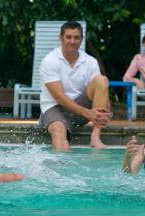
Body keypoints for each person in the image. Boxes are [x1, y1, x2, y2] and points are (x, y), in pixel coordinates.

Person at [39, 21, 111, 150]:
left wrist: (105, 112)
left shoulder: (90, 62)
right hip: (55, 108)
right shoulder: (49, 61)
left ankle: (95, 137)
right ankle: (63, 167)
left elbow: (100, 90)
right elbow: (60, 98)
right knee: (59, 133)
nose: (72, 41)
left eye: (76, 37)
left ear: (81, 39)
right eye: (68, 37)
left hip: (80, 110)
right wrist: (88, 113)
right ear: (61, 38)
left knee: (102, 80)